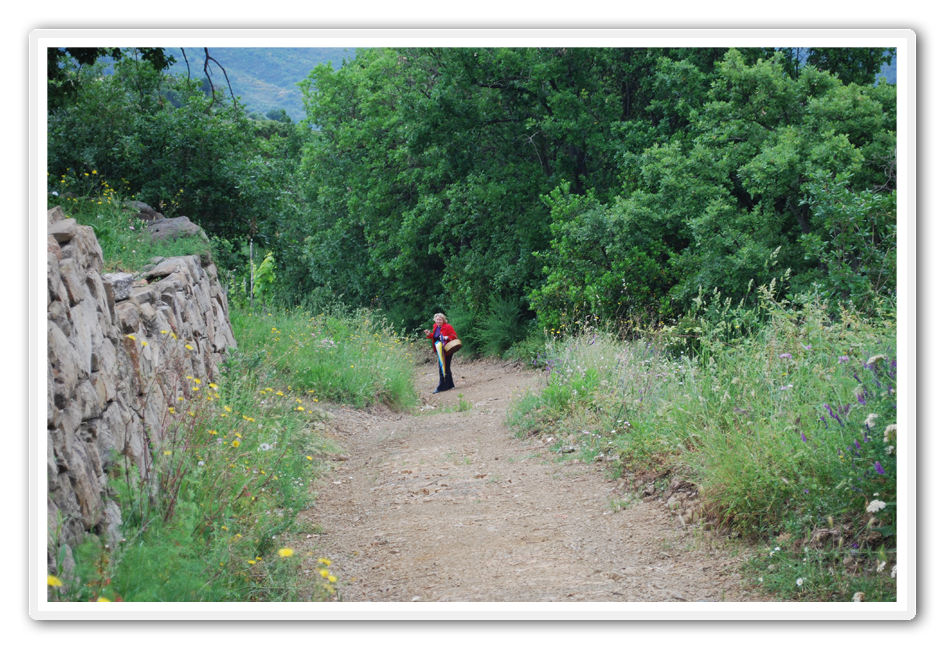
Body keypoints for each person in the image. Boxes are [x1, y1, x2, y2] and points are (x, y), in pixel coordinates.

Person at [423, 312, 457, 393]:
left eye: (440, 320)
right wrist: (429, 334)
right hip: (439, 349)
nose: (438, 321)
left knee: (443, 367)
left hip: (447, 349)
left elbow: (454, 336)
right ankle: (450, 385)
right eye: (437, 320)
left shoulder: (448, 327)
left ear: (443, 320)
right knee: (445, 367)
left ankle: (441, 387)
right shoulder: (435, 327)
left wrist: (445, 337)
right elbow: (435, 337)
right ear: (435, 320)